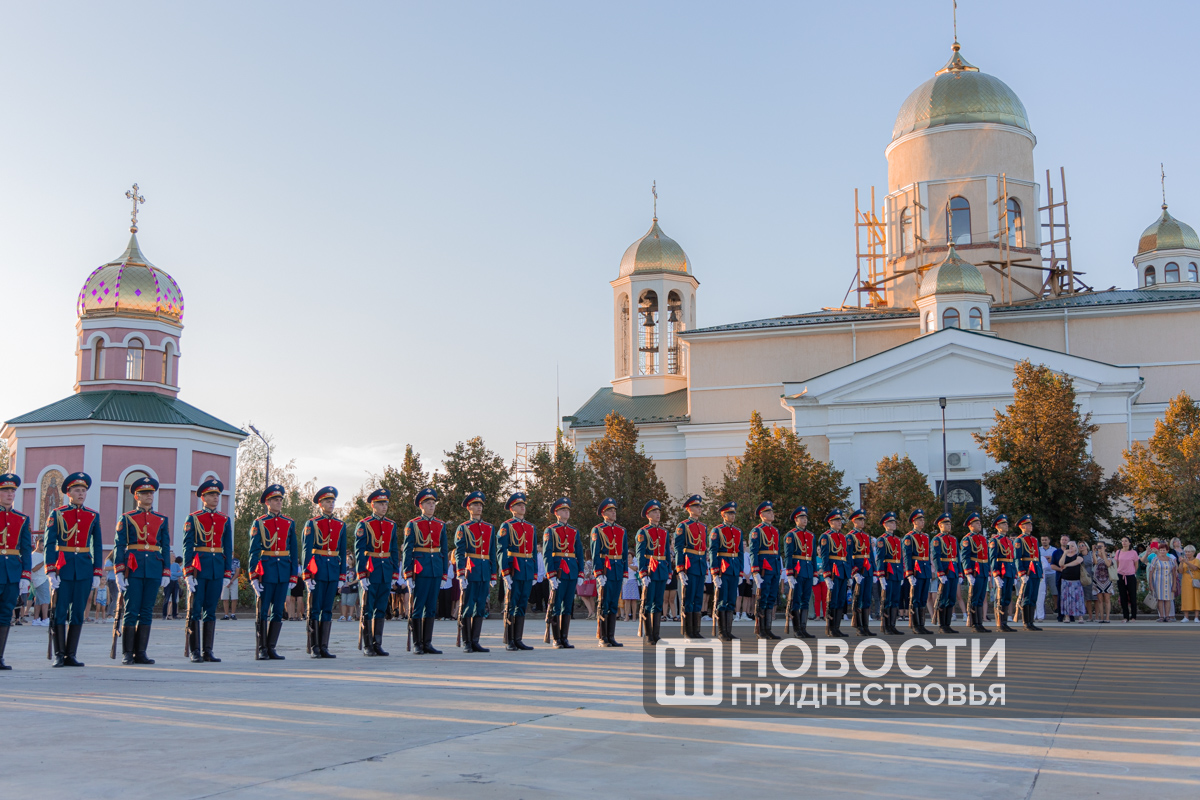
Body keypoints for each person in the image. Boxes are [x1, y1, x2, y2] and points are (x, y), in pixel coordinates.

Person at [45, 472, 104, 667]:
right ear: (68, 493)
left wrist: (97, 571)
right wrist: (50, 570)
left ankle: (71, 654)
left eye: (83, 490)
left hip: (84, 569)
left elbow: (97, 545)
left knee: (78, 612)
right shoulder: (58, 514)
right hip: (63, 568)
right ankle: (59, 654)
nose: (81, 493)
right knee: (60, 611)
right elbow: (49, 543)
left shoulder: (93, 515)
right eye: (77, 490)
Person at [112, 476, 171, 666]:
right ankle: (128, 653)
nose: (149, 496)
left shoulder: (161, 519)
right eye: (145, 493)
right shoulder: (127, 518)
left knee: (146, 611)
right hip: (133, 568)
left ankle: (141, 652)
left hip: (153, 567)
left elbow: (165, 546)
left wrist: (166, 570)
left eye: (151, 493)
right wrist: (119, 570)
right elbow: (119, 545)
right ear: (136, 496)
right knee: (131, 610)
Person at [182, 478, 234, 663]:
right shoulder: (194, 518)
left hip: (216, 569)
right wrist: (188, 572)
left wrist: (227, 572)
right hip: (199, 569)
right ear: (203, 497)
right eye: (211, 495)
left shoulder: (224, 519)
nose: (215, 498)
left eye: (217, 495)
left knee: (211, 611)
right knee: (195, 610)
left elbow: (227, 547)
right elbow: (188, 546)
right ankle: (195, 650)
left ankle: (208, 650)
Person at [248, 483, 298, 660]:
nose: (279, 502)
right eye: (275, 500)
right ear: (267, 502)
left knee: (278, 610)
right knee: (263, 611)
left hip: (283, 571)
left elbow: (294, 550)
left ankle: (271, 647)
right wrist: (253, 576)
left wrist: (293, 574)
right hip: (266, 571)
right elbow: (254, 551)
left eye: (280, 499)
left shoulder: (289, 522)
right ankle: (262, 648)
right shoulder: (260, 522)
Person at [301, 486, 347, 659]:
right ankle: (314, 646)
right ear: (320, 504)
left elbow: (342, 551)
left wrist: (342, 575)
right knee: (315, 609)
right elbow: (306, 550)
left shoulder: (340, 525)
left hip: (333, 569)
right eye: (328, 501)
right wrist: (307, 574)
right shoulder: (312, 523)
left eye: (332, 501)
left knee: (327, 609)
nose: (331, 504)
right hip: (317, 569)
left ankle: (324, 646)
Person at [403, 487, 450, 655]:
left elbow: (444, 549)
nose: (431, 506)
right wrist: (408, 573)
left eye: (433, 503)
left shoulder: (440, 524)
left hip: (435, 569)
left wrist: (444, 572)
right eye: (428, 503)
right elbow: (408, 550)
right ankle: (417, 643)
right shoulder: (413, 524)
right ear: (421, 505)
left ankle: (427, 643)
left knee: (431, 608)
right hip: (421, 569)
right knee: (418, 606)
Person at [355, 488, 400, 656]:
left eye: (386, 503)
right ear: (373, 505)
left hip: (385, 570)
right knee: (368, 608)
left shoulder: (391, 525)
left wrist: (395, 572)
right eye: (381, 504)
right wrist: (361, 574)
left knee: (381, 608)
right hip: (370, 570)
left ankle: (377, 643)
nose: (384, 506)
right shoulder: (365, 524)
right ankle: (367, 645)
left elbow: (394, 549)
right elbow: (359, 551)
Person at [454, 491, 495, 654]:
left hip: (484, 571)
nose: (479, 507)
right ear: (469, 508)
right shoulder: (464, 527)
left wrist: (493, 574)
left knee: (480, 607)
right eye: (475, 505)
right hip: (471, 570)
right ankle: (467, 642)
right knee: (468, 607)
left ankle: (475, 641)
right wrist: (460, 573)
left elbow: (492, 552)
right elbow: (459, 552)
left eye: (480, 505)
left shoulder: (489, 528)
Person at [497, 492, 537, 651]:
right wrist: (505, 572)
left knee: (522, 604)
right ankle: (509, 640)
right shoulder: (507, 526)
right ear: (512, 509)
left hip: (527, 569)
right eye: (519, 505)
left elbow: (533, 552)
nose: (522, 507)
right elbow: (501, 550)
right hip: (514, 569)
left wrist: (535, 572)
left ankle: (518, 638)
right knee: (511, 604)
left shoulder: (531, 527)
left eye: (523, 505)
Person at [0, 474, 32, 669]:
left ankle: (0, 657)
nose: (10, 494)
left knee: (6, 614)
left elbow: (26, 549)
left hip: (12, 571)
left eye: (12, 491)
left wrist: (25, 575)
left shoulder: (22, 519)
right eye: (5, 490)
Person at [543, 497, 583, 649]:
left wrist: (580, 572)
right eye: (563, 510)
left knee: (567, 605)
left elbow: (579, 552)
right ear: (557, 513)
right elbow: (547, 554)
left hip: (571, 571)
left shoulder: (574, 531)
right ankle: (556, 638)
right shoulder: (551, 530)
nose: (566, 512)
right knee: (555, 605)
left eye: (567, 510)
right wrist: (551, 574)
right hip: (558, 571)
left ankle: (564, 638)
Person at [590, 497, 627, 648]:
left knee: (613, 604)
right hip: (606, 570)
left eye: (614, 510)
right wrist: (598, 573)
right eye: (610, 511)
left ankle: (611, 636)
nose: (613, 513)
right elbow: (595, 553)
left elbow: (624, 553)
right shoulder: (598, 529)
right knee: (604, 603)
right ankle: (602, 637)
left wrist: (625, 573)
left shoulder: (621, 530)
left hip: (617, 570)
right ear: (604, 513)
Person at [635, 499, 670, 644]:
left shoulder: (664, 532)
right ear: (648, 515)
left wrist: (669, 571)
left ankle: (656, 634)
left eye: (658, 511)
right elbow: (640, 554)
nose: (658, 514)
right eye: (654, 512)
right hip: (650, 570)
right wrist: (643, 573)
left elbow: (667, 553)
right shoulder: (643, 532)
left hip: (661, 570)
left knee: (658, 603)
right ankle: (649, 635)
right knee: (648, 603)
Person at [708, 501, 744, 642]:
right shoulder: (717, 530)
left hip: (734, 568)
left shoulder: (738, 531)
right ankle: (722, 632)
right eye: (730, 513)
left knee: (731, 600)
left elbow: (740, 552)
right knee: (722, 600)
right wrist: (715, 572)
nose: (733, 515)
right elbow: (713, 551)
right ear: (723, 515)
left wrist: (740, 571)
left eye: (734, 513)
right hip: (723, 568)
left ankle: (729, 631)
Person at [674, 495, 708, 640]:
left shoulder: (703, 527)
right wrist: (680, 569)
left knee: (698, 598)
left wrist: (706, 568)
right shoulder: (683, 526)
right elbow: (678, 548)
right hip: (689, 565)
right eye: (696, 506)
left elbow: (704, 549)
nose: (699, 509)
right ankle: (687, 631)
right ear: (689, 509)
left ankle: (696, 630)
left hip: (700, 565)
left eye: (700, 506)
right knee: (688, 598)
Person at [748, 501, 782, 641]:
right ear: (762, 515)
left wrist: (779, 569)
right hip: (764, 568)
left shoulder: (775, 530)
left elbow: (777, 551)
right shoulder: (757, 531)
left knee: (771, 598)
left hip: (774, 568)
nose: (772, 514)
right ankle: (760, 630)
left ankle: (768, 629)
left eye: (772, 511)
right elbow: (753, 552)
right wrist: (755, 571)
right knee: (763, 598)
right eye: (768, 512)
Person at [781, 506, 816, 639]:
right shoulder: (791, 535)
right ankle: (797, 630)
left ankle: (803, 628)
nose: (804, 520)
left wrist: (814, 573)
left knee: (805, 600)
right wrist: (789, 573)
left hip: (808, 570)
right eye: (801, 518)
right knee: (796, 600)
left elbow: (813, 556)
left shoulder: (811, 535)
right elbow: (788, 555)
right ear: (796, 520)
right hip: (797, 571)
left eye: (805, 517)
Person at [817, 510, 850, 637]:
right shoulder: (826, 537)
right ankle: (830, 628)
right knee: (833, 600)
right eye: (837, 520)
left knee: (841, 600)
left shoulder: (843, 537)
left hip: (843, 571)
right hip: (833, 572)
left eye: (840, 520)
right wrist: (826, 575)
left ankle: (837, 628)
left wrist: (849, 574)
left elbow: (846, 556)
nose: (839, 522)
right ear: (830, 522)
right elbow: (825, 557)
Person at [901, 509, 933, 635]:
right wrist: (909, 573)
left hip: (925, 570)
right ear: (914, 522)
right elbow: (907, 556)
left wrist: (930, 570)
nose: (922, 522)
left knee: (923, 598)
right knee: (916, 598)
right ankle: (915, 625)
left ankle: (921, 625)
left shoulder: (926, 536)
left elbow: (927, 555)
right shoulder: (909, 537)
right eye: (920, 520)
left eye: (923, 520)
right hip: (916, 570)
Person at [844, 509, 875, 636]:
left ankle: (866, 626)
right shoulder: (850, 536)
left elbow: (871, 555)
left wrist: (874, 571)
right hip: (858, 570)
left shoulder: (866, 536)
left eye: (863, 520)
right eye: (860, 520)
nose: (862, 522)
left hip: (867, 570)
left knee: (867, 598)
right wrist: (854, 572)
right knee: (858, 598)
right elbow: (848, 556)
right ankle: (858, 626)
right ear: (854, 521)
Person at [874, 511, 905, 636]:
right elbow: (880, 559)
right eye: (891, 522)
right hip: (888, 572)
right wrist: (881, 575)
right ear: (885, 525)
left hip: (897, 572)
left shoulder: (897, 540)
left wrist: (902, 574)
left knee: (895, 600)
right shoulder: (882, 540)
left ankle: (892, 625)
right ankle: (886, 626)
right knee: (887, 600)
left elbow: (900, 558)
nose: (894, 524)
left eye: (894, 522)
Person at [957, 511, 988, 633]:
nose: (979, 524)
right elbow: (965, 557)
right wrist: (968, 573)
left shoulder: (983, 538)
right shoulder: (967, 539)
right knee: (975, 597)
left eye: (979, 522)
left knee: (981, 597)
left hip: (983, 570)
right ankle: (975, 623)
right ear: (970, 525)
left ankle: (979, 622)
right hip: (975, 571)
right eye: (976, 522)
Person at [930, 512, 959, 634]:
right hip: (945, 571)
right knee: (943, 598)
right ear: (940, 525)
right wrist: (940, 573)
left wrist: (960, 573)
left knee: (951, 598)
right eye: (946, 524)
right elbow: (936, 557)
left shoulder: (953, 539)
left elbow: (957, 557)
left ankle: (948, 624)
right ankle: (942, 625)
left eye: (949, 523)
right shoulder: (937, 539)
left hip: (953, 571)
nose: (949, 525)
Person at [987, 514, 1017, 632]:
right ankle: (999, 624)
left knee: (1007, 597)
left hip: (1009, 571)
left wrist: (1014, 574)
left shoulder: (1009, 540)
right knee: (1000, 598)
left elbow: (1012, 558)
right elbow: (993, 558)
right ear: (998, 527)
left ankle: (1004, 622)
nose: (1006, 525)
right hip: (1001, 572)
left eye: (1006, 523)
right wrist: (996, 574)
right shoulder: (995, 540)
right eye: (1003, 524)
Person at [1013, 515, 1043, 631]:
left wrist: (1040, 571)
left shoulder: (1034, 539)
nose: (1031, 526)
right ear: (1022, 526)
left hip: (1035, 571)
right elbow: (1017, 558)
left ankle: (1031, 622)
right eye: (1028, 524)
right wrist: (1021, 573)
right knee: (1027, 597)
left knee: (1033, 597)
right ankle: (1026, 622)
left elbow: (1038, 557)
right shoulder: (1019, 540)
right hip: (1027, 571)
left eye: (1031, 524)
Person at [1146, 542, 1176, 622]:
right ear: (1159, 551)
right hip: (1158, 582)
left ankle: (1167, 616)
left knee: (1168, 599)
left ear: (1167, 551)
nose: (1162, 551)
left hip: (1168, 582)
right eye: (1161, 550)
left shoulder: (1171, 560)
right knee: (1160, 599)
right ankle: (1161, 616)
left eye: (1164, 550)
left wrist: (1174, 585)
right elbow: (1151, 572)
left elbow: (1174, 573)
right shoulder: (1155, 559)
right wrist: (1150, 584)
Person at [1057, 541, 1086, 623]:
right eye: (1069, 546)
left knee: (1078, 598)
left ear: (1076, 547)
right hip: (1065, 580)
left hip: (1076, 580)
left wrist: (1066, 565)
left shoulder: (1079, 555)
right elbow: (1060, 564)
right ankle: (1067, 617)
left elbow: (1077, 562)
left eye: (1072, 546)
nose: (1070, 547)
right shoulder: (1064, 555)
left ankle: (1080, 617)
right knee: (1066, 599)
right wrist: (1064, 553)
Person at [1093, 541, 1114, 623]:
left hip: (1107, 579)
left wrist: (1104, 554)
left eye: (1101, 546)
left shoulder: (1109, 555)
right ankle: (1101, 617)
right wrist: (1094, 552)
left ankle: (1107, 617)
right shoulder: (1095, 555)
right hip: (1097, 579)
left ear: (1105, 547)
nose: (1099, 548)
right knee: (1100, 600)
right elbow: (1095, 562)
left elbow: (1108, 564)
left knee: (1107, 599)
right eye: (1098, 546)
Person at [1178, 545, 1200, 622]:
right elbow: (1180, 571)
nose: (1187, 553)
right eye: (1186, 552)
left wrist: (1186, 562)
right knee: (1186, 598)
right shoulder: (1184, 561)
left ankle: (1196, 617)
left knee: (1196, 598)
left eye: (1189, 552)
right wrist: (1181, 563)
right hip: (1186, 582)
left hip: (1195, 582)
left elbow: (1195, 568)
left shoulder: (1196, 560)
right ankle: (1186, 617)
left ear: (1193, 552)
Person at [222, 555, 241, 620]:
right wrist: (226, 580)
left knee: (234, 598)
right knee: (225, 598)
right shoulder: (223, 560)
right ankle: (226, 615)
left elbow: (237, 572)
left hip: (234, 580)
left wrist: (231, 580)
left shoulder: (236, 561)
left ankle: (233, 614)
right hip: (225, 579)